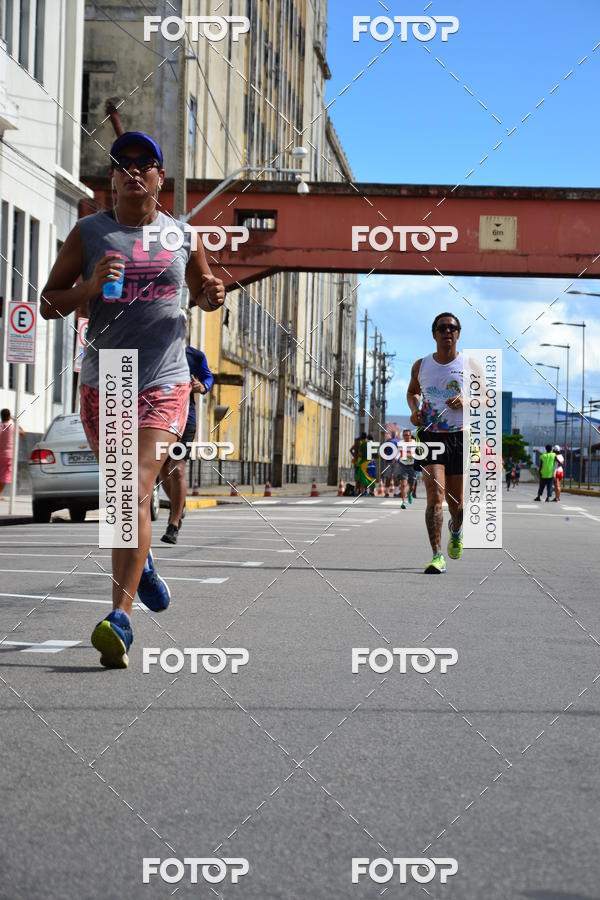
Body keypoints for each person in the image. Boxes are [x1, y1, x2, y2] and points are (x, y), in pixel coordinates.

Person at [40, 131, 225, 668]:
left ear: (159, 178)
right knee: (128, 499)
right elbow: (51, 302)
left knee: (133, 487)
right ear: (113, 179)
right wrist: (89, 289)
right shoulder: (89, 233)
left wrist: (212, 294)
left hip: (166, 378)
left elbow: (205, 290)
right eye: (124, 164)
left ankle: (118, 619)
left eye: (146, 164)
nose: (135, 171)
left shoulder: (182, 236)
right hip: (108, 378)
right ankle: (140, 566)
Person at [407, 312, 466, 574]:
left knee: (456, 504)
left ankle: (456, 530)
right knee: (435, 496)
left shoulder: (470, 365)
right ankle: (436, 555)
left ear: (458, 333)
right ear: (434, 334)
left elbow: (488, 399)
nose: (447, 332)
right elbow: (412, 392)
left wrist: (468, 402)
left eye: (452, 328)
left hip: (458, 437)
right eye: (442, 328)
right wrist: (414, 409)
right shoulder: (421, 365)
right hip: (430, 436)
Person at [160, 345, 214, 543]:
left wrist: (203, 386)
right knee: (163, 470)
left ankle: (173, 524)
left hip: (185, 421)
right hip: (158, 420)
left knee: (178, 469)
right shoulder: (154, 349)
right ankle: (179, 504)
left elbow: (208, 377)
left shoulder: (195, 355)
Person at [0, 409, 25, 499]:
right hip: (8, 455)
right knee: (4, 476)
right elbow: (22, 433)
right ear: (9, 416)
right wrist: (15, 421)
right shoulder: (12, 426)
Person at [395, 428, 417, 509]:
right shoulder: (400, 443)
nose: (406, 437)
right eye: (405, 435)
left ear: (410, 436)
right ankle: (404, 502)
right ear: (403, 436)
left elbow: (417, 454)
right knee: (403, 485)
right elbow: (398, 452)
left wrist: (411, 455)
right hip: (403, 465)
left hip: (412, 466)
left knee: (412, 486)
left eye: (408, 435)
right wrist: (396, 458)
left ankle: (410, 493)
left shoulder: (414, 443)